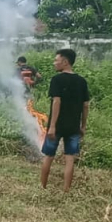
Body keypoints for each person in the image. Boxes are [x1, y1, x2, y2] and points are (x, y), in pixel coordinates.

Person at [40, 48, 90, 192]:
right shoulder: (82, 81)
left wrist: (52, 126)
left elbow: (57, 102)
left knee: (49, 156)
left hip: (57, 125)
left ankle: (42, 187)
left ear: (65, 62)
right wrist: (83, 126)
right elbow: (85, 105)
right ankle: (66, 190)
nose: (54, 63)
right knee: (70, 159)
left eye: (56, 60)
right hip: (74, 126)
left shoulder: (57, 79)